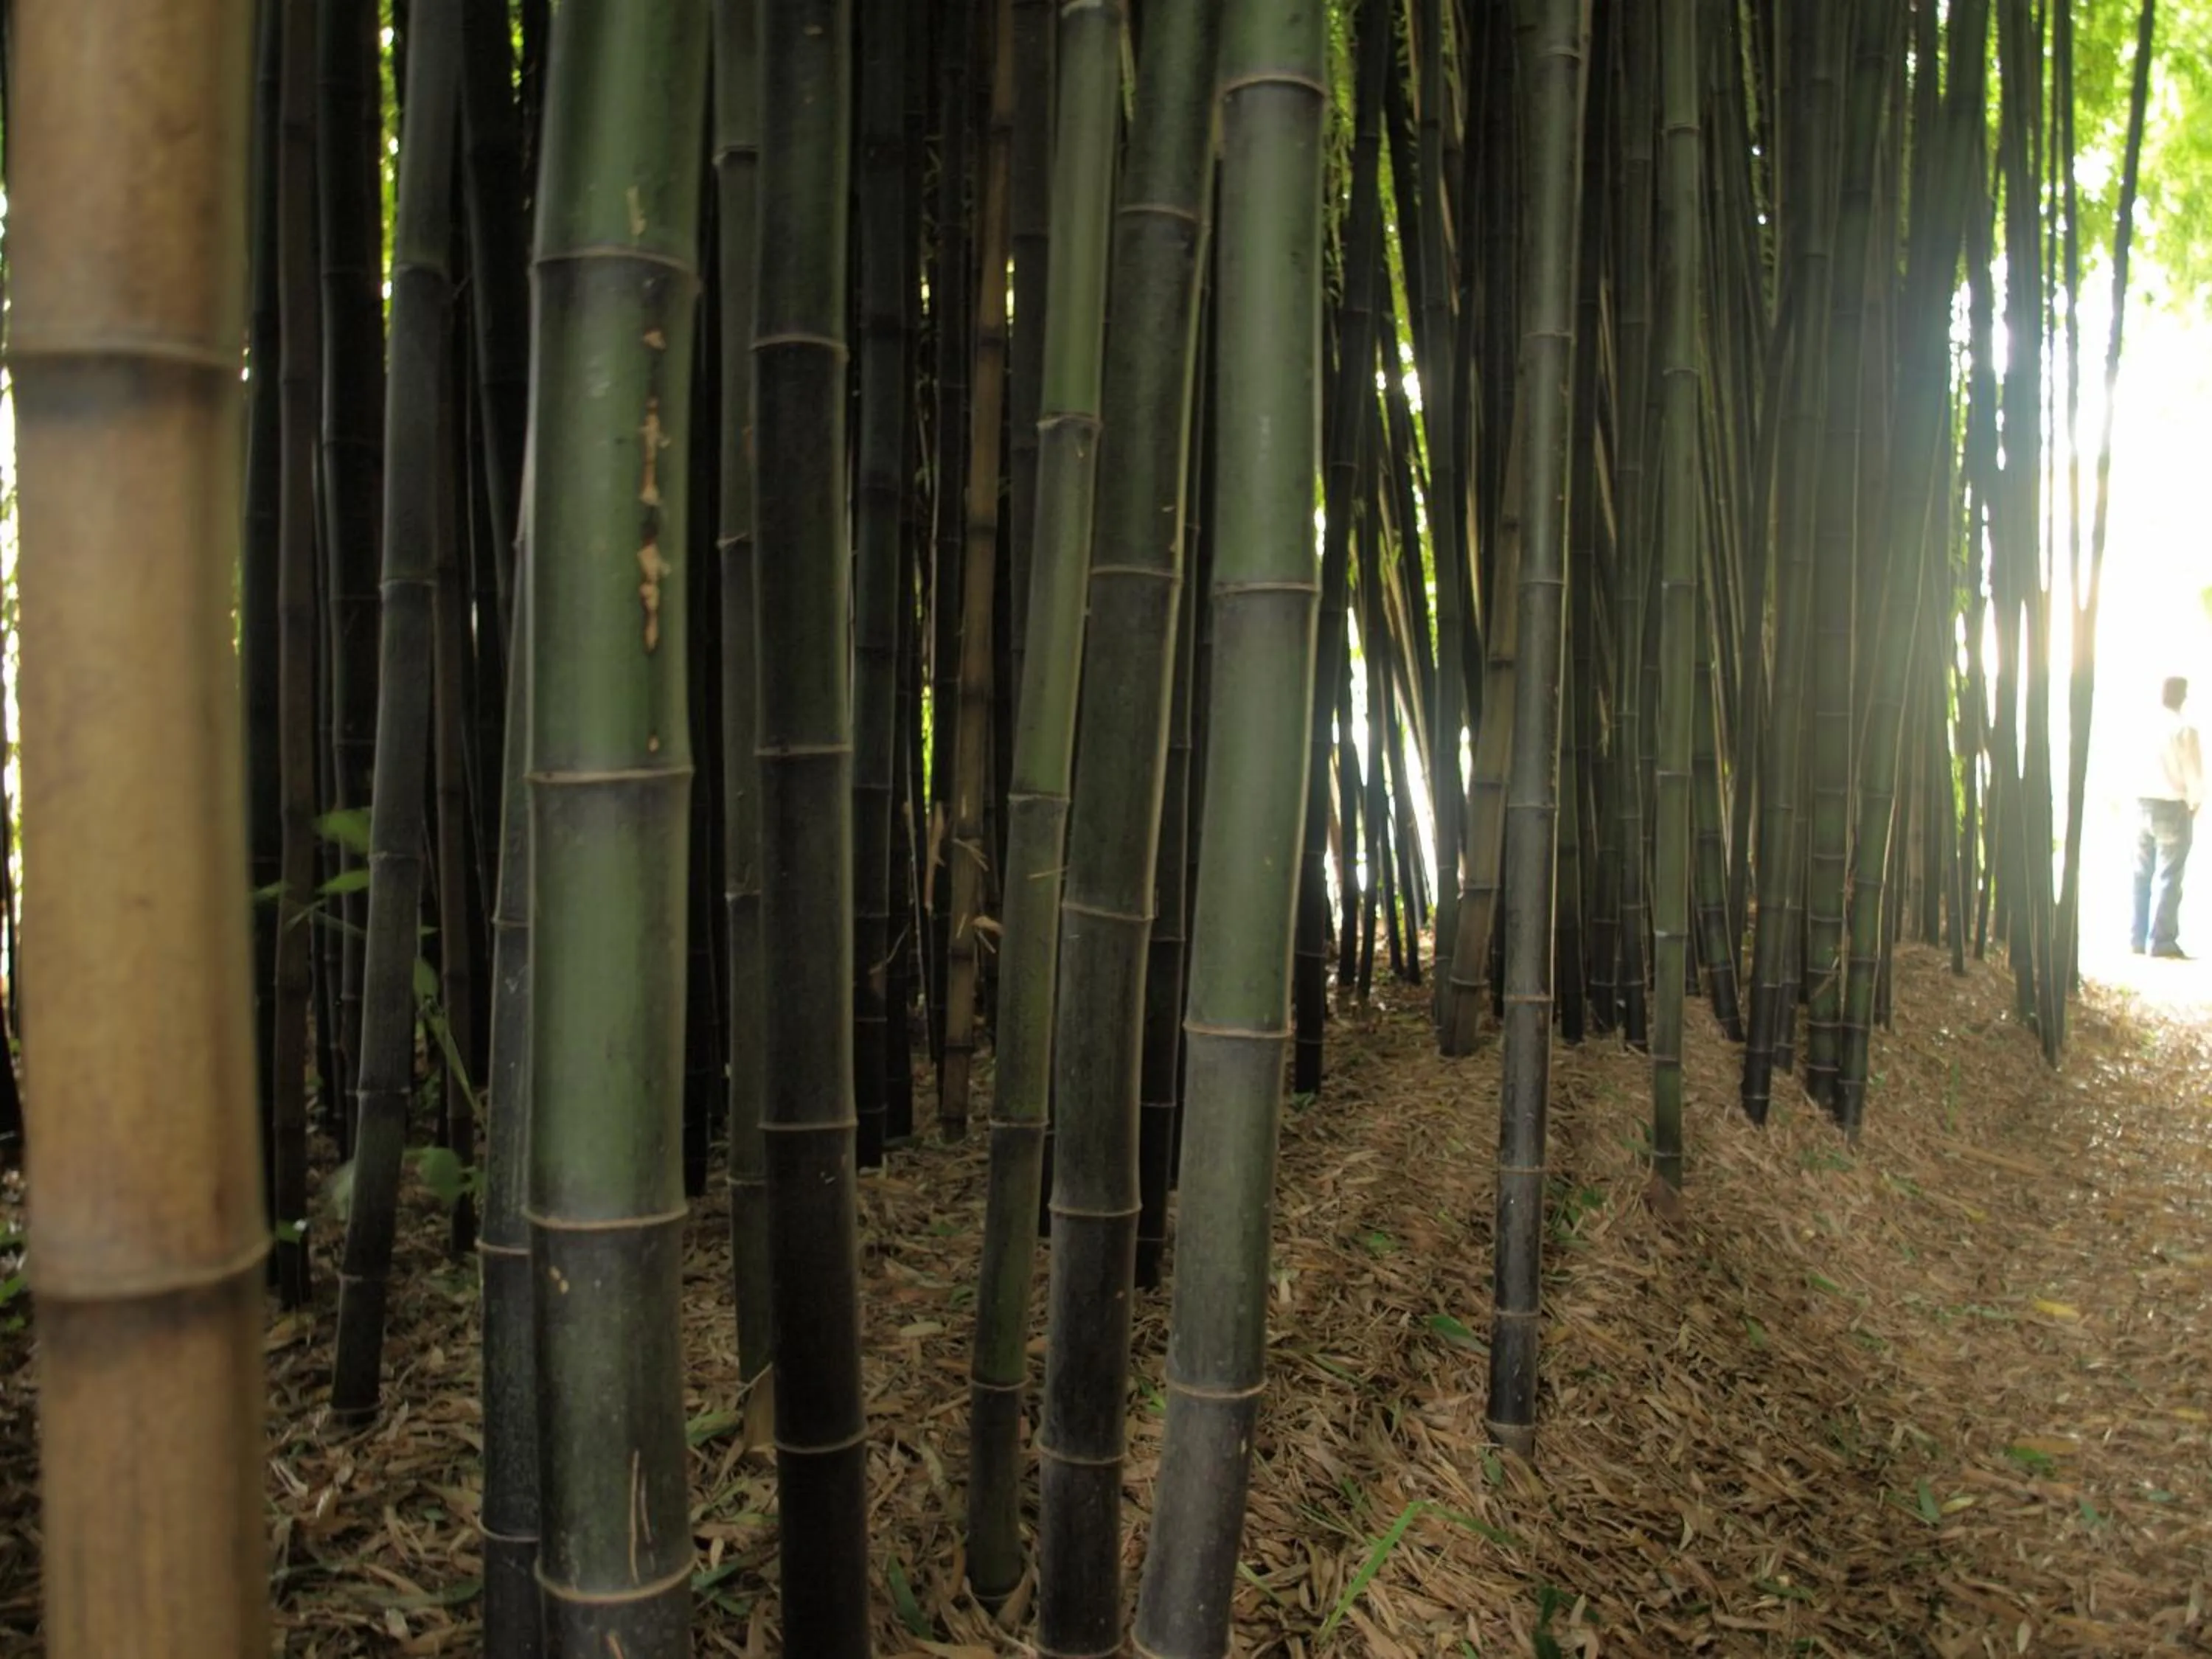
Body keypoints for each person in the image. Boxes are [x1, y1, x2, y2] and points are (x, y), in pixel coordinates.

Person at [2131, 675, 2204, 959]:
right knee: (2169, 876)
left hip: (2142, 804)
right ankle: (2160, 941)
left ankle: (2136, 937)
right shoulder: (2184, 730)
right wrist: (2195, 803)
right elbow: (2194, 774)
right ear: (2183, 696)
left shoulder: (2144, 726)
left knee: (2141, 873)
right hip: (2173, 805)